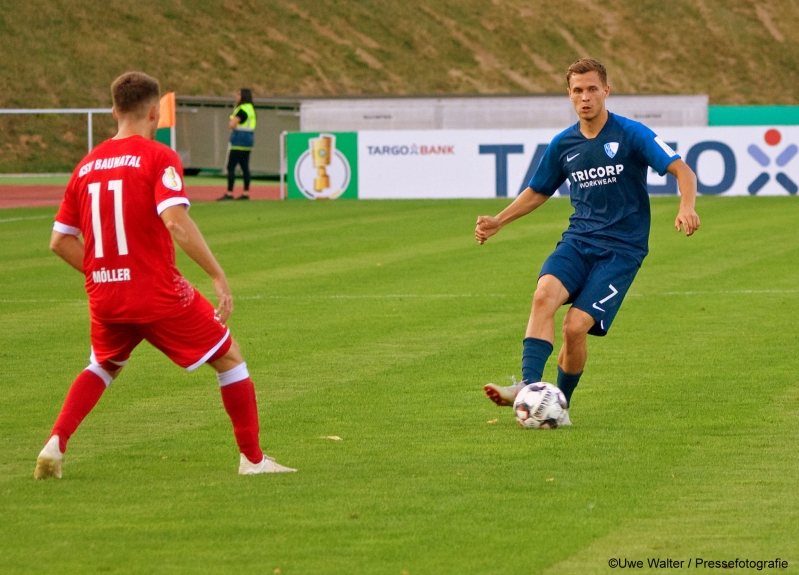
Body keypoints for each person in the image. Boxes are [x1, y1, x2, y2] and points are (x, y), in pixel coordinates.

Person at [34, 72, 294, 479]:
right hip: (156, 293)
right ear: (155, 111)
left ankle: (55, 443)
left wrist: (107, 273)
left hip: (106, 296)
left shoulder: (85, 166)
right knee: (230, 358)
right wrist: (217, 274)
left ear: (113, 110)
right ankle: (254, 460)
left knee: (103, 364)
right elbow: (175, 221)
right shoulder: (157, 156)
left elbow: (58, 241)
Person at [475, 58, 700, 419]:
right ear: (569, 95)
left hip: (621, 251)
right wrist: (499, 221)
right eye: (577, 91)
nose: (585, 97)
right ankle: (530, 388)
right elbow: (538, 190)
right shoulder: (563, 144)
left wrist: (686, 207)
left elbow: (682, 169)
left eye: (592, 89)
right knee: (543, 296)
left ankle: (556, 403)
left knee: (575, 327)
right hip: (578, 241)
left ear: (606, 91)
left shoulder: (631, 133)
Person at [218, 88, 256, 201]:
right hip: (248, 141)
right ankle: (246, 192)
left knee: (231, 167)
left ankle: (229, 193)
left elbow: (232, 124)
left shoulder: (242, 109)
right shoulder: (251, 109)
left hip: (239, 140)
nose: (236, 96)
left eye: (238, 94)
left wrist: (231, 122)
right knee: (245, 167)